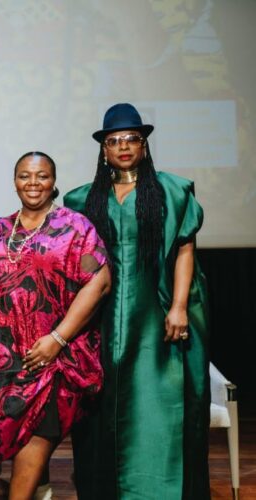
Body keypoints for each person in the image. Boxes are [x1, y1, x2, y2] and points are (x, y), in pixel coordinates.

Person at [65, 103, 211, 500]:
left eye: (132, 139)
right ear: (104, 150)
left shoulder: (172, 190)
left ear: (144, 146)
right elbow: (84, 260)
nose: (123, 146)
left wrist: (179, 306)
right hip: (105, 317)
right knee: (106, 410)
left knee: (158, 405)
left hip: (157, 311)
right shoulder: (83, 200)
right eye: (114, 141)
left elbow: (184, 249)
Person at [0, 151, 111, 500]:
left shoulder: (75, 227)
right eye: (24, 175)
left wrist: (57, 339)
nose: (33, 183)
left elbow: (99, 282)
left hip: (50, 357)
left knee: (39, 432)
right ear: (14, 181)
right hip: (3, 362)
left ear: (54, 182)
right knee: (20, 438)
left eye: (42, 176)